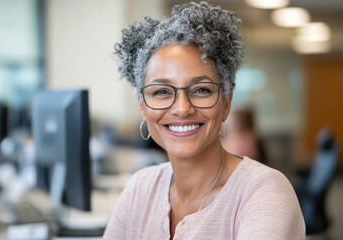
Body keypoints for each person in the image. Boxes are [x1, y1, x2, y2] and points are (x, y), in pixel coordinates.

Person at [103, 2, 305, 239]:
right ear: (143, 107)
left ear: (226, 102)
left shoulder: (264, 192)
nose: (182, 108)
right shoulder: (140, 188)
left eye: (201, 90)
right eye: (161, 92)